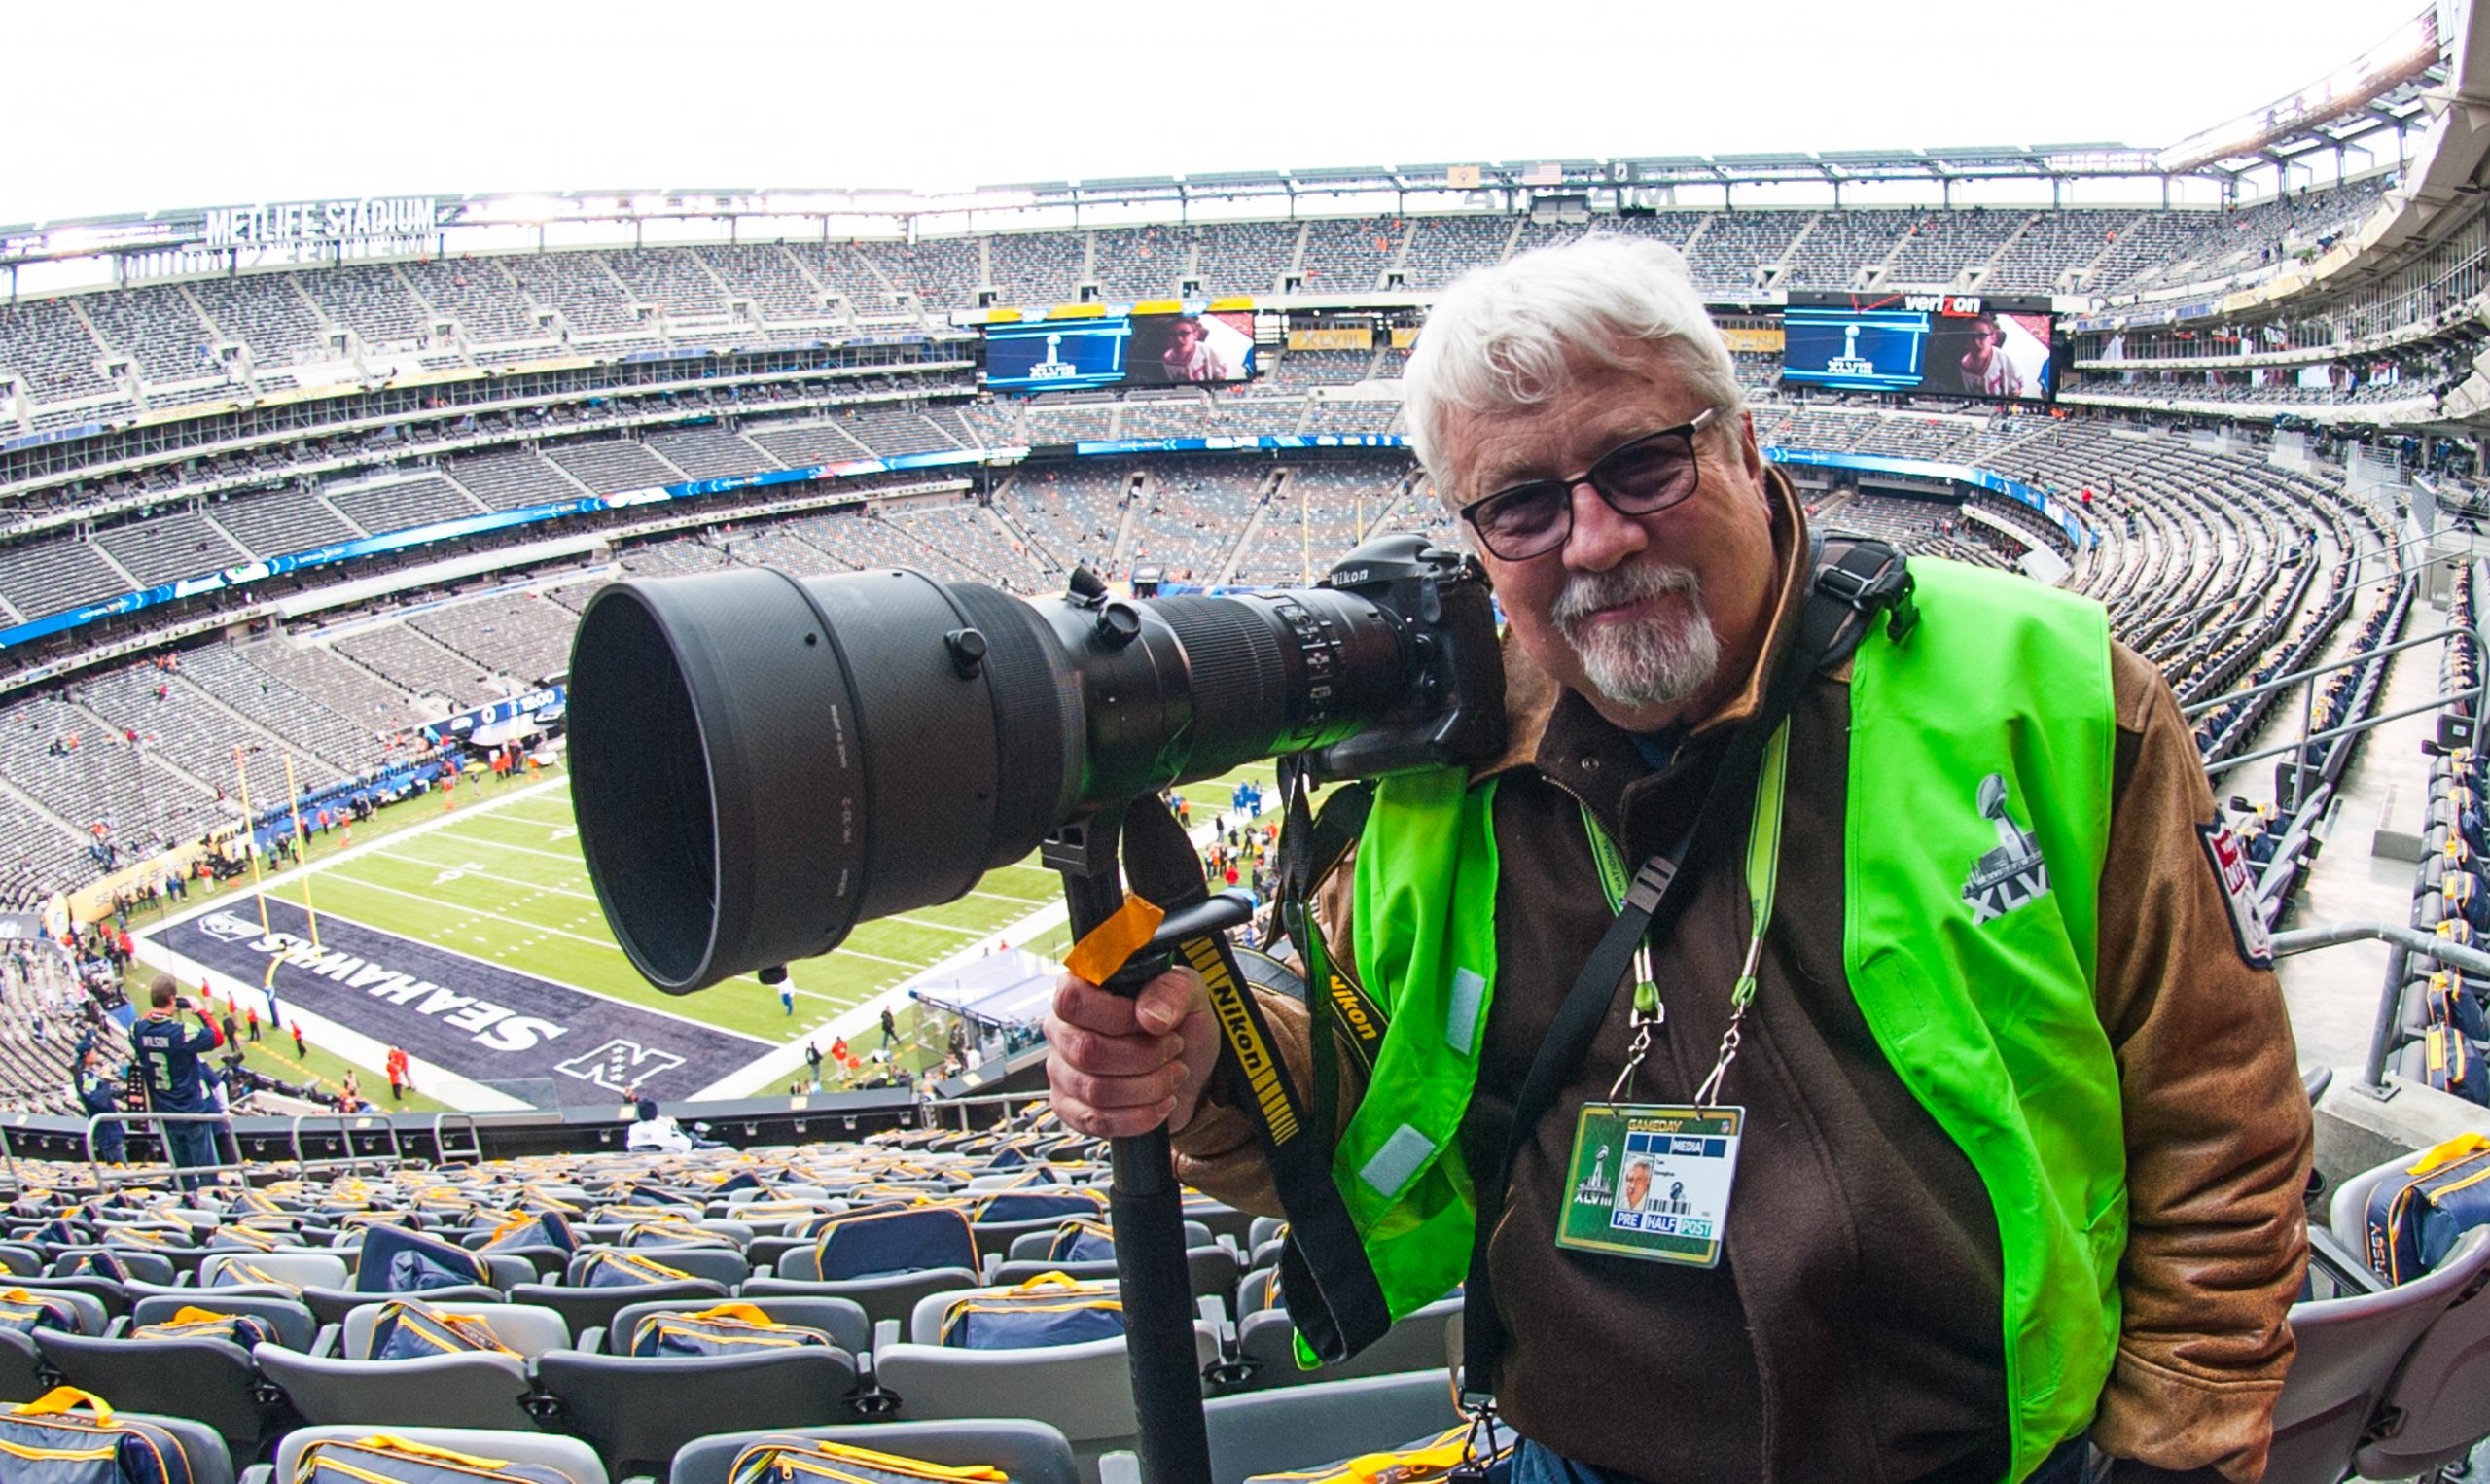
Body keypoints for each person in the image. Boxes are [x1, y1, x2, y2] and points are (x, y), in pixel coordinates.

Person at [1045, 236, 2310, 1484]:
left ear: (1745, 447)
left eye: (1642, 463)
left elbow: (2218, 1113)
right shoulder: (1434, 783)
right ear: (1476, 541)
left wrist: (2179, 1452)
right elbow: (1374, 1091)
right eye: (1523, 505)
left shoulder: (2046, 692)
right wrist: (1212, 1060)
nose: (1595, 539)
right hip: (1570, 1454)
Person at [129, 973, 227, 1192]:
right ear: (172, 998)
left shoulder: (137, 1029)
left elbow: (142, 1031)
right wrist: (200, 1011)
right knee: (208, 1174)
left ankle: (187, 1200)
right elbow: (217, 1037)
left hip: (164, 1113)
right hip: (191, 1111)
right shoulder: (181, 1032)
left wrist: (154, 1015)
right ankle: (212, 1202)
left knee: (182, 1174)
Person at [1954, 310, 2027, 399]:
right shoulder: (1964, 366)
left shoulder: (2002, 358)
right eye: (1971, 337)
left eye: (1982, 336)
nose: (1977, 343)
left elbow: (2017, 388)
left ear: (1993, 338)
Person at [75, 1049, 124, 1163]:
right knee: (117, 1163)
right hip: (106, 1128)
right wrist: (105, 1079)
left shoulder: (92, 1075)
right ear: (86, 1055)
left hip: (111, 1126)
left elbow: (109, 1093)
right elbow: (98, 1100)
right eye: (93, 1052)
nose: (96, 1055)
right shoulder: (86, 1077)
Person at [1158, 315, 1232, 383]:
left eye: (1184, 333)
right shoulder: (1167, 359)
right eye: (1173, 335)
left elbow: (1222, 373)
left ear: (1195, 334)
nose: (1178, 339)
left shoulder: (1206, 350)